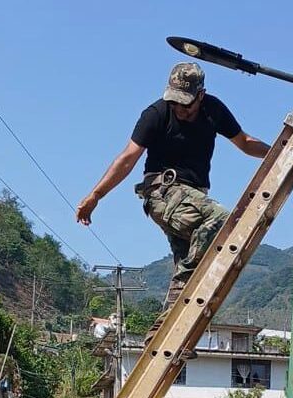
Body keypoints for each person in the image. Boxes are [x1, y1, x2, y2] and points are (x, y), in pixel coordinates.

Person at [76, 62, 271, 346]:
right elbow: (128, 158)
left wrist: (279, 154)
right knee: (224, 221)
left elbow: (244, 142)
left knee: (192, 272)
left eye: (186, 104)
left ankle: (165, 333)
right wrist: (95, 196)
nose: (180, 109)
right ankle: (174, 311)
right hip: (162, 192)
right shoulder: (156, 113)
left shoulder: (213, 110)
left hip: (193, 200)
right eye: (175, 102)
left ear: (200, 95)